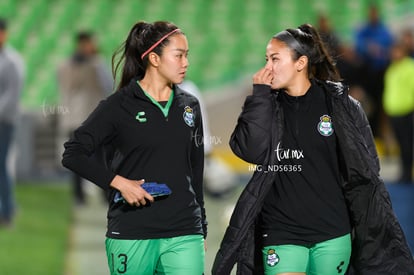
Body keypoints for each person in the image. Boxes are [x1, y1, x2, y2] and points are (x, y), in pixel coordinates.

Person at [212, 24, 414, 275]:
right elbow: (249, 151)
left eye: (275, 59)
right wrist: (259, 97)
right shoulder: (264, 104)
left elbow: (367, 166)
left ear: (301, 63)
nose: (267, 67)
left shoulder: (340, 105)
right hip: (280, 231)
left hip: (332, 232)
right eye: (266, 59)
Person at [62, 21, 207, 275]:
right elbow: (73, 153)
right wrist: (118, 182)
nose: (186, 63)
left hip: (185, 230)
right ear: (154, 58)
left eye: (187, 56)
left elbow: (196, 168)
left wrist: (201, 225)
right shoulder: (118, 106)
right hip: (131, 230)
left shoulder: (190, 106)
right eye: (179, 55)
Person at [57, 31, 113, 205]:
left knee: (98, 159)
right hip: (80, 118)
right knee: (82, 160)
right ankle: (82, 196)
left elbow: (108, 86)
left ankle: (100, 195)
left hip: (88, 119)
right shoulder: (71, 65)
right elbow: (108, 86)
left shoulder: (92, 65)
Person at [354, 4, 393, 137]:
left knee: (383, 107)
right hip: (367, 73)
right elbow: (358, 45)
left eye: (375, 13)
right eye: (371, 13)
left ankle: (381, 137)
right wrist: (368, 48)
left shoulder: (384, 30)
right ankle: (370, 136)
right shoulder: (364, 30)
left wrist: (378, 49)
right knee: (368, 106)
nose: (373, 16)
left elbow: (389, 47)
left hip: (382, 72)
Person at [0, 18, 24, 228]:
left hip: (4, 123)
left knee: (1, 167)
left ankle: (7, 212)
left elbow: (11, 97)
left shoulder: (13, 61)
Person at [383, 40, 414, 184]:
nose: (394, 54)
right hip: (394, 113)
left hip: (408, 112)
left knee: (408, 144)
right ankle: (404, 172)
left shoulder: (410, 67)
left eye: (397, 51)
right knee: (401, 144)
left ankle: (408, 172)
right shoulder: (392, 69)